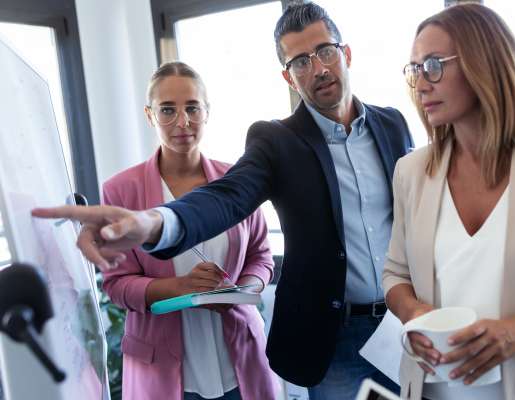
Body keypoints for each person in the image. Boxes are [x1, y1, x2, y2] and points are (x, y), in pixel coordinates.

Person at [33, 3, 413, 399]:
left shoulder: (393, 125)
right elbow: (225, 198)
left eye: (325, 52)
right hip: (332, 340)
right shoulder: (276, 142)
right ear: (288, 76)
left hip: (401, 324)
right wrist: (152, 224)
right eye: (300, 62)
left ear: (346, 53)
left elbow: (415, 217)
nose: (317, 69)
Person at [382, 4, 515, 400]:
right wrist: (414, 315)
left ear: (485, 62)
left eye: (433, 65)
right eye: (415, 70)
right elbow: (395, 275)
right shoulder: (412, 172)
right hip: (433, 389)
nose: (421, 84)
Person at [100, 61, 277, 400]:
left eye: (192, 108)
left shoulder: (237, 180)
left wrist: (241, 290)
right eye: (167, 110)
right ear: (150, 115)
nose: (182, 122)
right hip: (163, 372)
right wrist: (181, 288)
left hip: (241, 365)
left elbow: (261, 257)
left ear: (207, 112)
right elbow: (117, 285)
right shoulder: (120, 192)